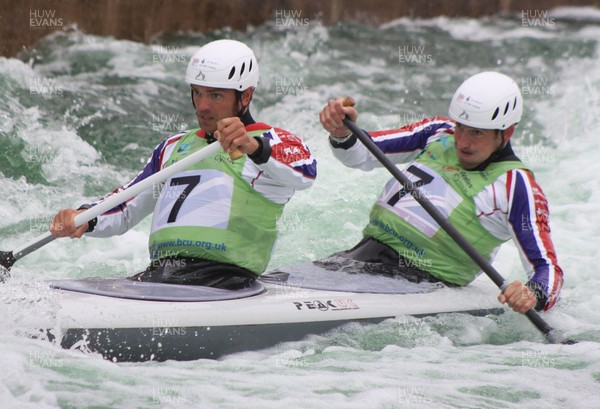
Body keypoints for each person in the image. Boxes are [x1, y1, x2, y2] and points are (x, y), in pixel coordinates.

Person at [50, 39, 316, 289]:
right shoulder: (173, 146)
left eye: (215, 96)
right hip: (161, 276)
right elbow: (125, 206)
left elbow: (305, 172)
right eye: (197, 93)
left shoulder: (269, 141)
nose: (202, 106)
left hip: (226, 282)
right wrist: (84, 216)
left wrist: (253, 147)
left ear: (245, 97)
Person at [318, 71, 563, 314]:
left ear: (506, 133)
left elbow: (548, 269)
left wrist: (533, 293)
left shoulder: (516, 186)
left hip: (421, 284)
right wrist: (342, 133)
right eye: (461, 127)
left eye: (477, 132)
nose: (463, 142)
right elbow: (361, 154)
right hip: (360, 258)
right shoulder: (437, 132)